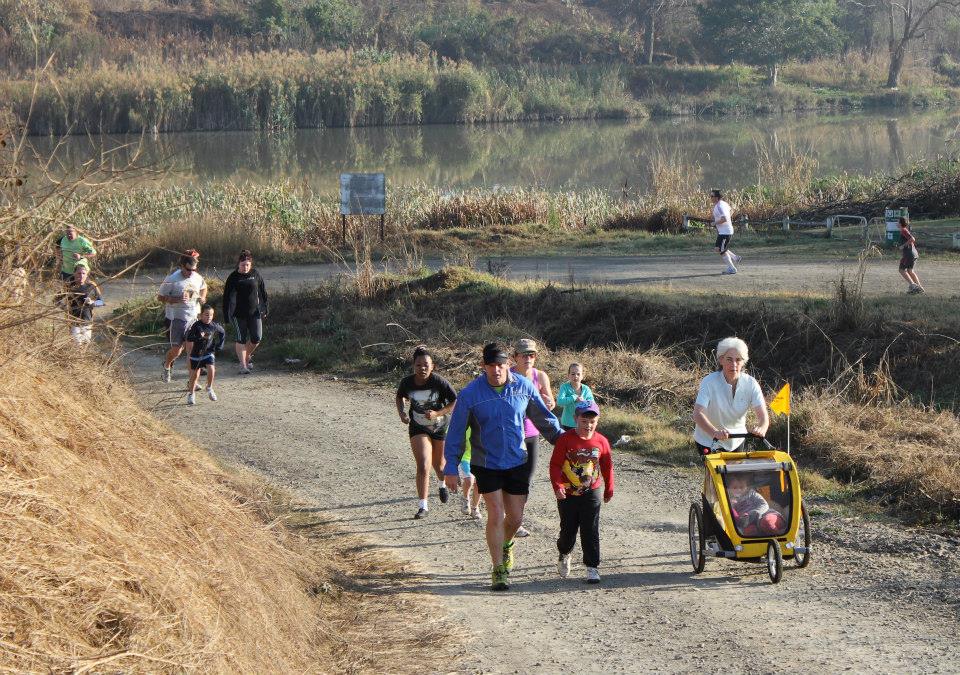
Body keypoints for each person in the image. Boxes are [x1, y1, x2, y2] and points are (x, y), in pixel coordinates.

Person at [443, 342, 563, 591]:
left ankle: (506, 544)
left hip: (517, 459)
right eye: (491, 365)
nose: (496, 370)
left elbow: (544, 419)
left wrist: (566, 442)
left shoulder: (523, 386)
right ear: (483, 366)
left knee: (516, 518)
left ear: (509, 363)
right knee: (496, 513)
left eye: (500, 365)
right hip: (486, 463)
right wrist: (451, 467)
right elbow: (456, 432)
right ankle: (498, 569)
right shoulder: (470, 394)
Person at [550, 400, 614, 584]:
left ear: (597, 421)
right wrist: (558, 486)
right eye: (584, 421)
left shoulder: (601, 441)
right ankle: (564, 552)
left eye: (592, 421)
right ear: (576, 419)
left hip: (591, 491)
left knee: (590, 529)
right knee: (568, 531)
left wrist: (609, 488)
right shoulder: (565, 439)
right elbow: (555, 465)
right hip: (568, 493)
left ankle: (592, 566)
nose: (588, 425)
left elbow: (607, 466)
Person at [396, 345, 458, 520]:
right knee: (423, 464)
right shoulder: (407, 382)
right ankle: (423, 506)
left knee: (439, 466)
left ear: (433, 366)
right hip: (418, 427)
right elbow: (400, 396)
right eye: (418, 365)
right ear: (413, 366)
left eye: (426, 365)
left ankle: (442, 484)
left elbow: (455, 401)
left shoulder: (439, 382)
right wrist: (401, 413)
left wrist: (437, 413)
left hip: (439, 427)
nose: (422, 368)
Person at [510, 338, 555, 537]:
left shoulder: (540, 376)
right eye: (523, 355)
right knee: (510, 476)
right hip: (511, 434)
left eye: (531, 355)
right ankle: (509, 517)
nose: (528, 358)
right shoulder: (507, 375)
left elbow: (551, 402)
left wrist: (548, 402)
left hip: (532, 433)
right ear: (515, 357)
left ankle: (516, 519)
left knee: (526, 479)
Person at [692, 337, 769, 454]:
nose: (734, 364)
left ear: (743, 362)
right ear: (721, 359)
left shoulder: (751, 383)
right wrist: (715, 432)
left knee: (735, 471)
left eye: (738, 360)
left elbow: (763, 416)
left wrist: (762, 428)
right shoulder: (709, 381)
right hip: (708, 439)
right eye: (729, 359)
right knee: (716, 472)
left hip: (736, 440)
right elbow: (698, 414)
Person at [158, 252, 207, 382]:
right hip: (177, 319)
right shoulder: (172, 279)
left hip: (193, 318)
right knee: (177, 350)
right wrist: (176, 299)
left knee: (191, 350)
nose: (191, 272)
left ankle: (192, 381)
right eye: (188, 269)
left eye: (194, 269)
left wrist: (202, 297)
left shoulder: (197, 277)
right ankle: (167, 366)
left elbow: (204, 287)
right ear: (181, 266)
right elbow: (160, 297)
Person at [223, 249, 269, 374]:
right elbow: (226, 297)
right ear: (238, 264)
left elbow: (263, 293)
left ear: (251, 264)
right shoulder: (233, 277)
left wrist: (266, 307)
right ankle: (243, 365)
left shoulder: (256, 274)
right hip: (238, 314)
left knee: (256, 338)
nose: (245, 267)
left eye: (247, 265)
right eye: (243, 265)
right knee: (241, 339)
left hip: (255, 313)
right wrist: (226, 316)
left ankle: (246, 356)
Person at [183, 304, 225, 405]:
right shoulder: (196, 325)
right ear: (201, 315)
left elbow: (222, 332)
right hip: (196, 354)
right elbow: (189, 338)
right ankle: (191, 394)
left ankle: (209, 387)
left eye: (211, 315)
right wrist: (199, 337)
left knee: (211, 368)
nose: (209, 317)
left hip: (208, 352)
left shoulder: (214, 325)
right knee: (194, 375)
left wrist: (219, 346)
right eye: (206, 315)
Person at [58, 260, 102, 346]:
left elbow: (101, 302)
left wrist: (92, 302)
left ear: (86, 274)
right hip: (73, 321)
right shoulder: (68, 286)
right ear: (74, 273)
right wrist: (64, 307)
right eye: (79, 273)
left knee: (86, 345)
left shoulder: (92, 286)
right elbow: (56, 299)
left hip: (87, 321)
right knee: (77, 346)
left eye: (83, 273)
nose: (81, 276)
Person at [555, 362, 595, 431]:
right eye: (573, 374)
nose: (575, 376)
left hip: (583, 423)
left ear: (582, 376)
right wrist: (573, 398)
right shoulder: (564, 387)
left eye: (578, 374)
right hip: (567, 423)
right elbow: (559, 402)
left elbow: (592, 404)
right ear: (568, 375)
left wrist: (584, 402)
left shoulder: (586, 389)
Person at [709, 189, 741, 275]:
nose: (710, 198)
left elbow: (724, 219)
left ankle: (732, 268)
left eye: (712, 196)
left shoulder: (719, 206)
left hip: (725, 232)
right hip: (724, 231)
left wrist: (714, 223)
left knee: (720, 250)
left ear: (716, 197)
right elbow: (731, 211)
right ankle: (735, 258)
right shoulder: (724, 203)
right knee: (719, 249)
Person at [897, 217, 925, 294]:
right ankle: (919, 287)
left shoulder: (903, 230)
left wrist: (903, 246)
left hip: (908, 254)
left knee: (901, 270)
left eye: (897, 221)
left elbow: (912, 239)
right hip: (913, 253)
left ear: (900, 223)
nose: (896, 223)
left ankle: (913, 286)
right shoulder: (904, 230)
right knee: (910, 270)